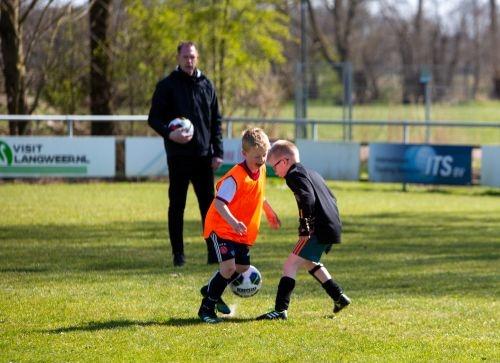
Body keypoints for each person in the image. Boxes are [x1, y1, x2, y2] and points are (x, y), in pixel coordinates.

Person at [148, 41, 224, 267]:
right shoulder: (167, 85)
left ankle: (213, 253)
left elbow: (215, 121)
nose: (189, 61)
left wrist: (217, 151)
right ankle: (178, 255)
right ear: (178, 58)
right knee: (177, 206)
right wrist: (170, 135)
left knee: (208, 207)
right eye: (185, 57)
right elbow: (153, 118)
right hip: (178, 157)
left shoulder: (207, 85)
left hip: (203, 157)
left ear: (197, 57)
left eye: (192, 57)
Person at [256, 140, 351, 320]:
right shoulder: (311, 172)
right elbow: (332, 198)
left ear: (284, 161)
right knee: (309, 262)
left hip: (317, 227)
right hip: (331, 225)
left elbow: (306, 198)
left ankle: (280, 310)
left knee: (290, 264)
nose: (274, 172)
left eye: (274, 167)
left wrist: (305, 224)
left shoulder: (294, 175)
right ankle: (339, 297)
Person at [198, 128, 281, 323]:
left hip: (239, 231)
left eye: (264, 155)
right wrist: (233, 222)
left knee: (242, 267)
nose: (261, 160)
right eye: (257, 156)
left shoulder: (259, 170)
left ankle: (210, 288)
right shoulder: (235, 177)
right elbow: (219, 203)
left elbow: (258, 194)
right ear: (244, 154)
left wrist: (268, 211)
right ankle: (206, 308)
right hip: (223, 227)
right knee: (228, 269)